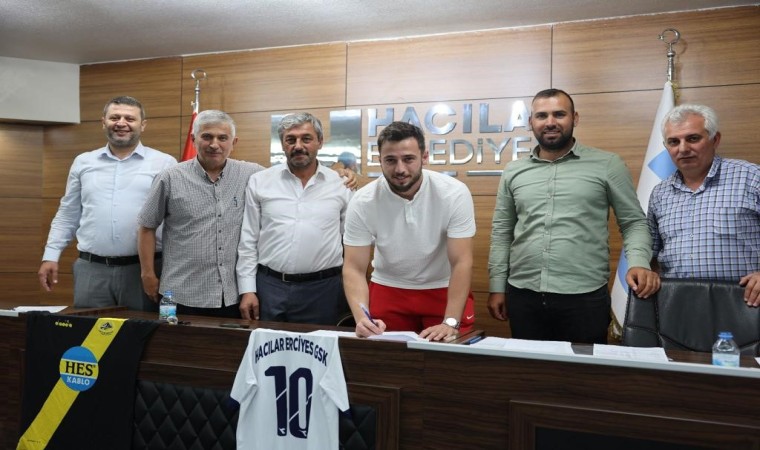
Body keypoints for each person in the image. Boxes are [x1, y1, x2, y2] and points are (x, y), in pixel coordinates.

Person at [138, 110, 357, 318]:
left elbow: (298, 172)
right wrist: (148, 274)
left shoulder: (253, 175)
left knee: (236, 344)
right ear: (194, 139)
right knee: (173, 342)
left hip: (233, 296)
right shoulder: (170, 178)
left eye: (222, 138)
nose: (214, 144)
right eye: (207, 137)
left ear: (233, 142)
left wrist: (340, 174)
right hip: (180, 292)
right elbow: (147, 226)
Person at [487, 88, 660, 344]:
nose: (550, 122)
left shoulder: (607, 164)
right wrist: (497, 286)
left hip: (584, 298)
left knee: (584, 369)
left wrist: (638, 263)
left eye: (559, 114)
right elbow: (502, 232)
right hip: (523, 296)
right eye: (541, 116)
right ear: (531, 122)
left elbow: (633, 222)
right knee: (529, 367)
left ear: (575, 118)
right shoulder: (513, 171)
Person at [342, 121, 476, 342]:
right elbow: (354, 268)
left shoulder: (454, 193)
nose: (400, 169)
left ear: (425, 157)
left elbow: (462, 261)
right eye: (390, 160)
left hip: (443, 289)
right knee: (388, 360)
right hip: (388, 289)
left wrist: (451, 321)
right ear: (379, 160)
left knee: (448, 359)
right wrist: (362, 318)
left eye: (408, 159)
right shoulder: (363, 200)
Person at [38, 96, 176, 311]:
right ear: (103, 122)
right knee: (90, 331)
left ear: (143, 125)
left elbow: (176, 219)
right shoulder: (83, 162)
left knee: (142, 330)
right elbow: (68, 214)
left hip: (145, 270)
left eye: (129, 118)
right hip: (91, 270)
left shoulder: (165, 163)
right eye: (114, 117)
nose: (121, 123)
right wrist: (50, 256)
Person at [236, 112, 352, 324]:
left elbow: (351, 241)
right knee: (268, 344)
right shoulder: (260, 181)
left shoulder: (340, 184)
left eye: (306, 138)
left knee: (318, 345)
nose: (298, 146)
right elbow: (249, 240)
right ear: (282, 144)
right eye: (291, 139)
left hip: (323, 291)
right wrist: (247, 289)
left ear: (320, 142)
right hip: (269, 288)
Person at [648, 104, 760, 306]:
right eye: (674, 141)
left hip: (744, 305)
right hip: (678, 306)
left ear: (715, 139)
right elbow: (650, 254)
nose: (683, 148)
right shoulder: (659, 193)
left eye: (693, 138)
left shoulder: (751, 177)